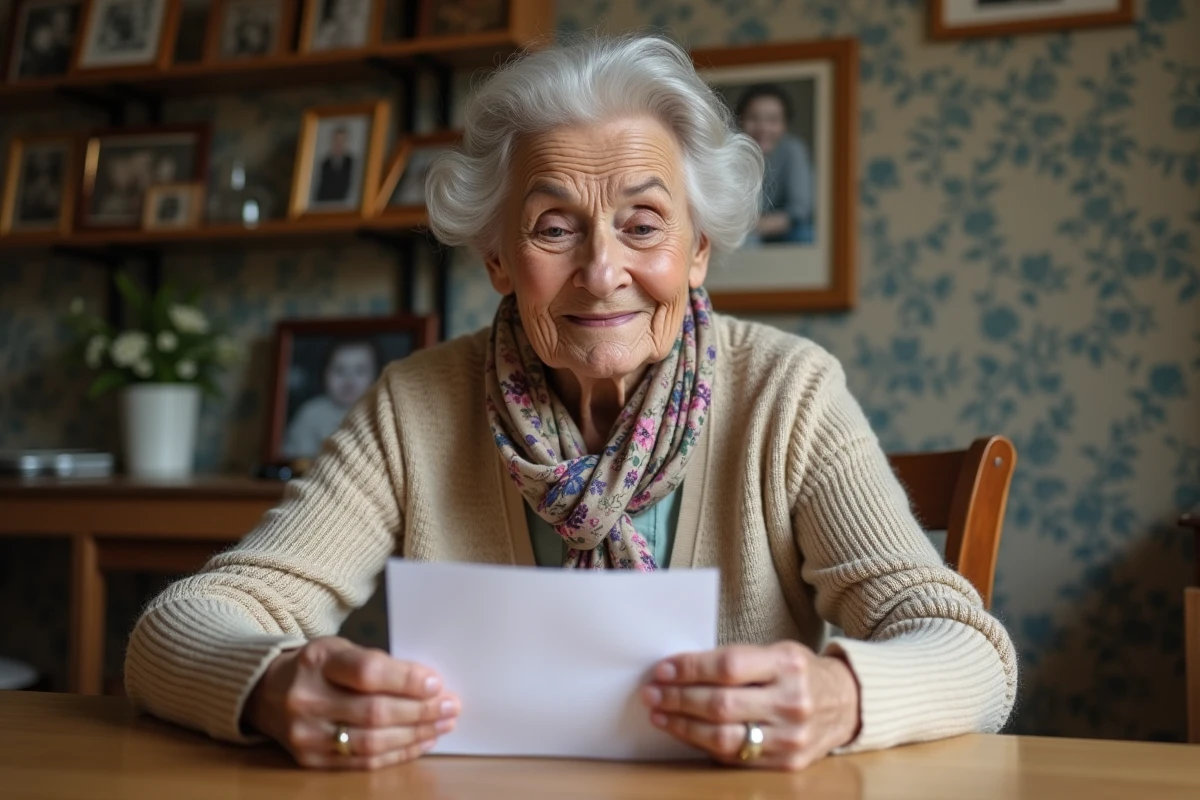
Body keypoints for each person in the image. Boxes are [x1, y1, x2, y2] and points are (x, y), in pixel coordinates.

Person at [126, 34, 1017, 772]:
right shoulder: (416, 406)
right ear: (498, 260)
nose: (602, 272)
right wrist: (275, 682)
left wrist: (840, 696)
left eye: (643, 225)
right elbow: (175, 630)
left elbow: (970, 653)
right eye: (554, 227)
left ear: (698, 250)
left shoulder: (788, 392)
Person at [735, 83, 815, 246]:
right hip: (741, 230)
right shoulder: (731, 152)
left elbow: (799, 210)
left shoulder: (794, 150)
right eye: (753, 118)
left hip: (785, 230)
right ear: (740, 120)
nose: (763, 127)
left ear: (784, 124)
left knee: (806, 234)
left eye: (772, 120)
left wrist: (759, 225)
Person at [281, 339, 380, 460]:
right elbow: (297, 461)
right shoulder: (311, 413)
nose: (349, 381)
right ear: (324, 374)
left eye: (360, 371)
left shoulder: (381, 413)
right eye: (340, 370)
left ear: (376, 376)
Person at [314, 126, 355, 204]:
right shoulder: (324, 163)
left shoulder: (352, 163)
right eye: (336, 140)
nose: (339, 144)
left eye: (342, 141)